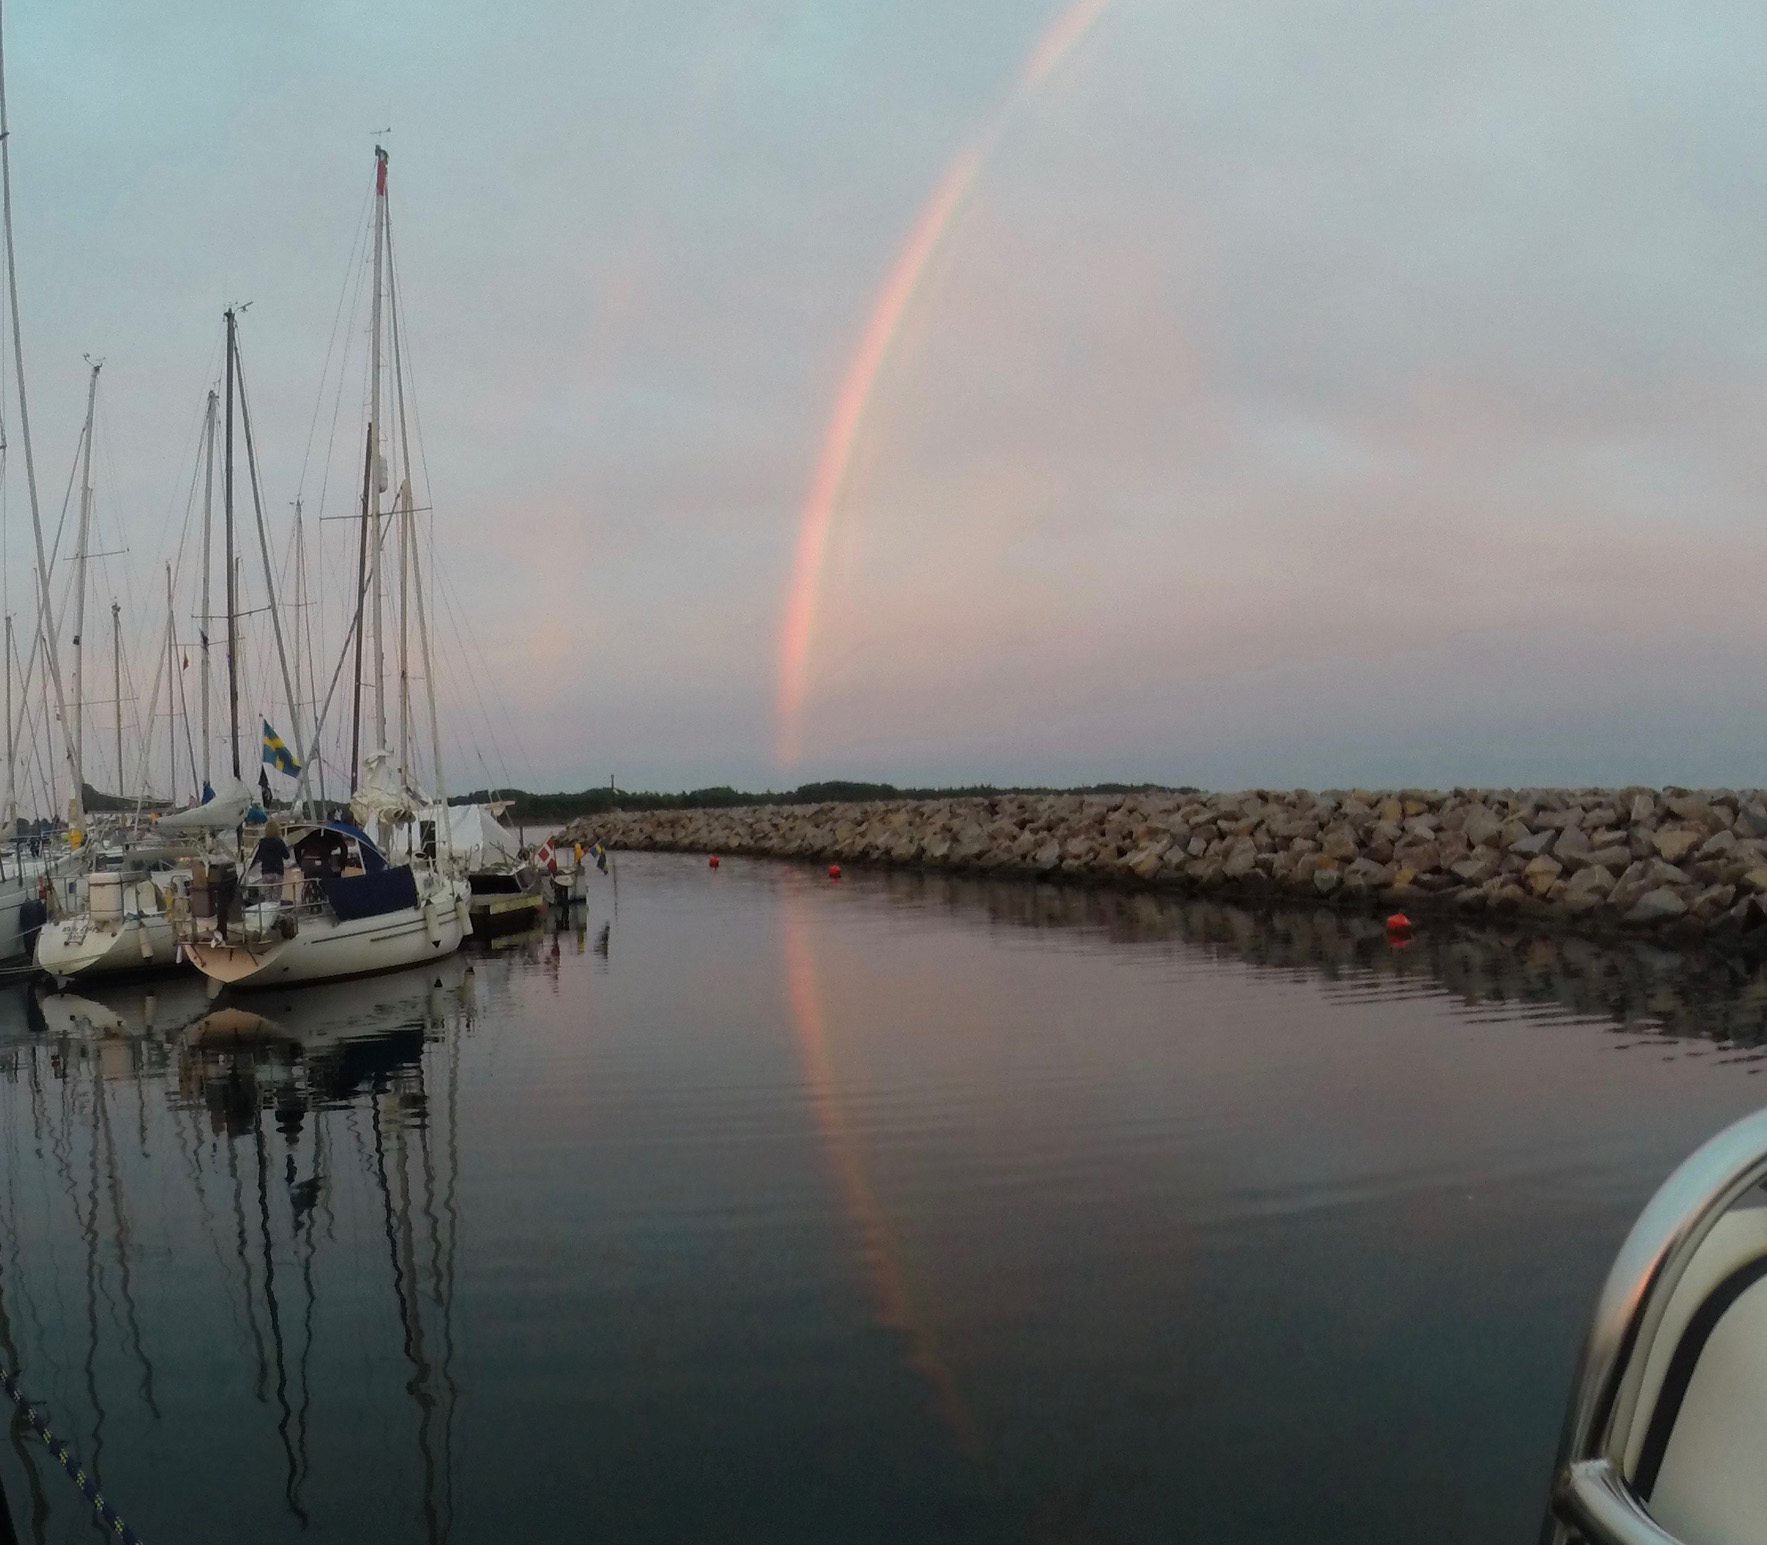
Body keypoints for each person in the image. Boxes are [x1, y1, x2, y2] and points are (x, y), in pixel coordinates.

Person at [255, 819, 301, 905]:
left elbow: (259, 857)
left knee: (267, 898)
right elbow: (286, 856)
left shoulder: (262, 842)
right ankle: (276, 912)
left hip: (266, 871)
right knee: (276, 899)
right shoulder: (279, 842)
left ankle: (268, 913)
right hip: (277, 871)